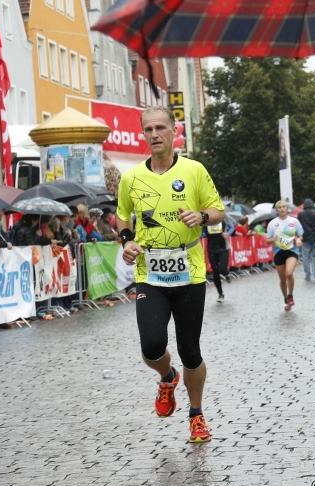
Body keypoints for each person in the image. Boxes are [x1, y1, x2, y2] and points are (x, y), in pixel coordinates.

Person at [117, 105, 225, 443]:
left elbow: (218, 211)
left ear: (174, 131)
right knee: (151, 346)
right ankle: (167, 377)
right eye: (148, 129)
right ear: (143, 134)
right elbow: (122, 216)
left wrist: (201, 217)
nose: (154, 135)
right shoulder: (131, 178)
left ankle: (196, 414)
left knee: (190, 350)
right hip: (149, 273)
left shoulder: (194, 170)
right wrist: (126, 240)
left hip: (189, 273)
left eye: (160, 128)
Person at [267, 200, 304, 310]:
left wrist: (299, 239)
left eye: (284, 207)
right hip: (278, 252)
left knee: (289, 273)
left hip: (292, 250)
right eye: (279, 207)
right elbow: (267, 240)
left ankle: (290, 295)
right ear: (277, 210)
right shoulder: (272, 223)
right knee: (283, 279)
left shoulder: (294, 221)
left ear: (287, 209)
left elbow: (301, 235)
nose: (282, 209)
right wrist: (273, 239)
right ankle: (285, 298)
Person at [296, 199, 315, 282]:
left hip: (305, 237)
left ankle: (307, 275)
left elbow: (298, 224)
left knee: (306, 256)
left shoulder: (300, 214)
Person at [206, 220, 230, 303]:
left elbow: (232, 227)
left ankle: (226, 272)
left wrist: (228, 234)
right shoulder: (206, 221)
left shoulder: (223, 219)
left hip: (223, 248)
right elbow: (202, 233)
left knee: (222, 269)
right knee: (215, 272)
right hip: (211, 249)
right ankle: (220, 293)